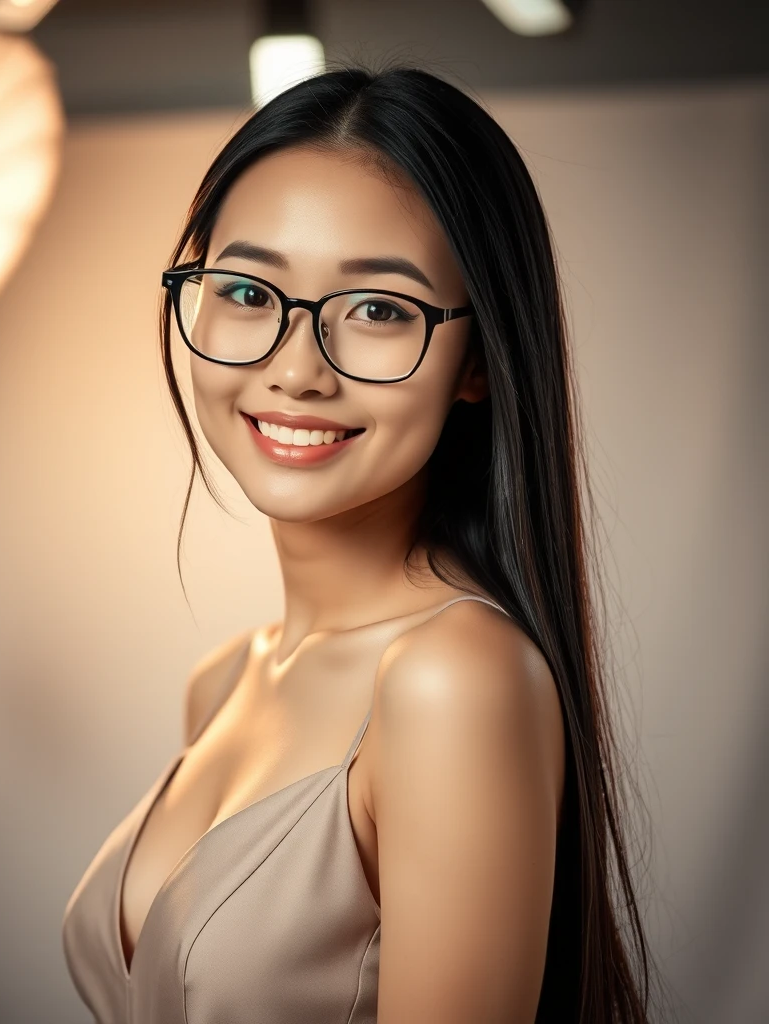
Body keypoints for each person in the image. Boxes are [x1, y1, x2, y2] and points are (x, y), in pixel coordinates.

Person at [63, 63, 662, 1023]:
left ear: (477, 363)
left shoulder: (454, 680)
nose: (295, 369)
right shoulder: (224, 681)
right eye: (249, 292)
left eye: (380, 310)